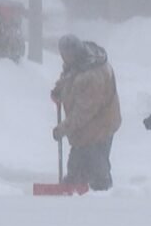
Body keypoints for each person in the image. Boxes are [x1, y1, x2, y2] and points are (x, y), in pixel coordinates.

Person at [50, 34, 122, 191]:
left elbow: (83, 113)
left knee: (96, 165)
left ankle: (103, 197)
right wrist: (59, 90)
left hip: (101, 124)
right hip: (87, 126)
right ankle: (74, 188)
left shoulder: (92, 75)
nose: (64, 59)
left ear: (75, 52)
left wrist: (62, 129)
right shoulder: (80, 63)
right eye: (62, 54)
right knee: (77, 164)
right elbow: (69, 77)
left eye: (66, 55)